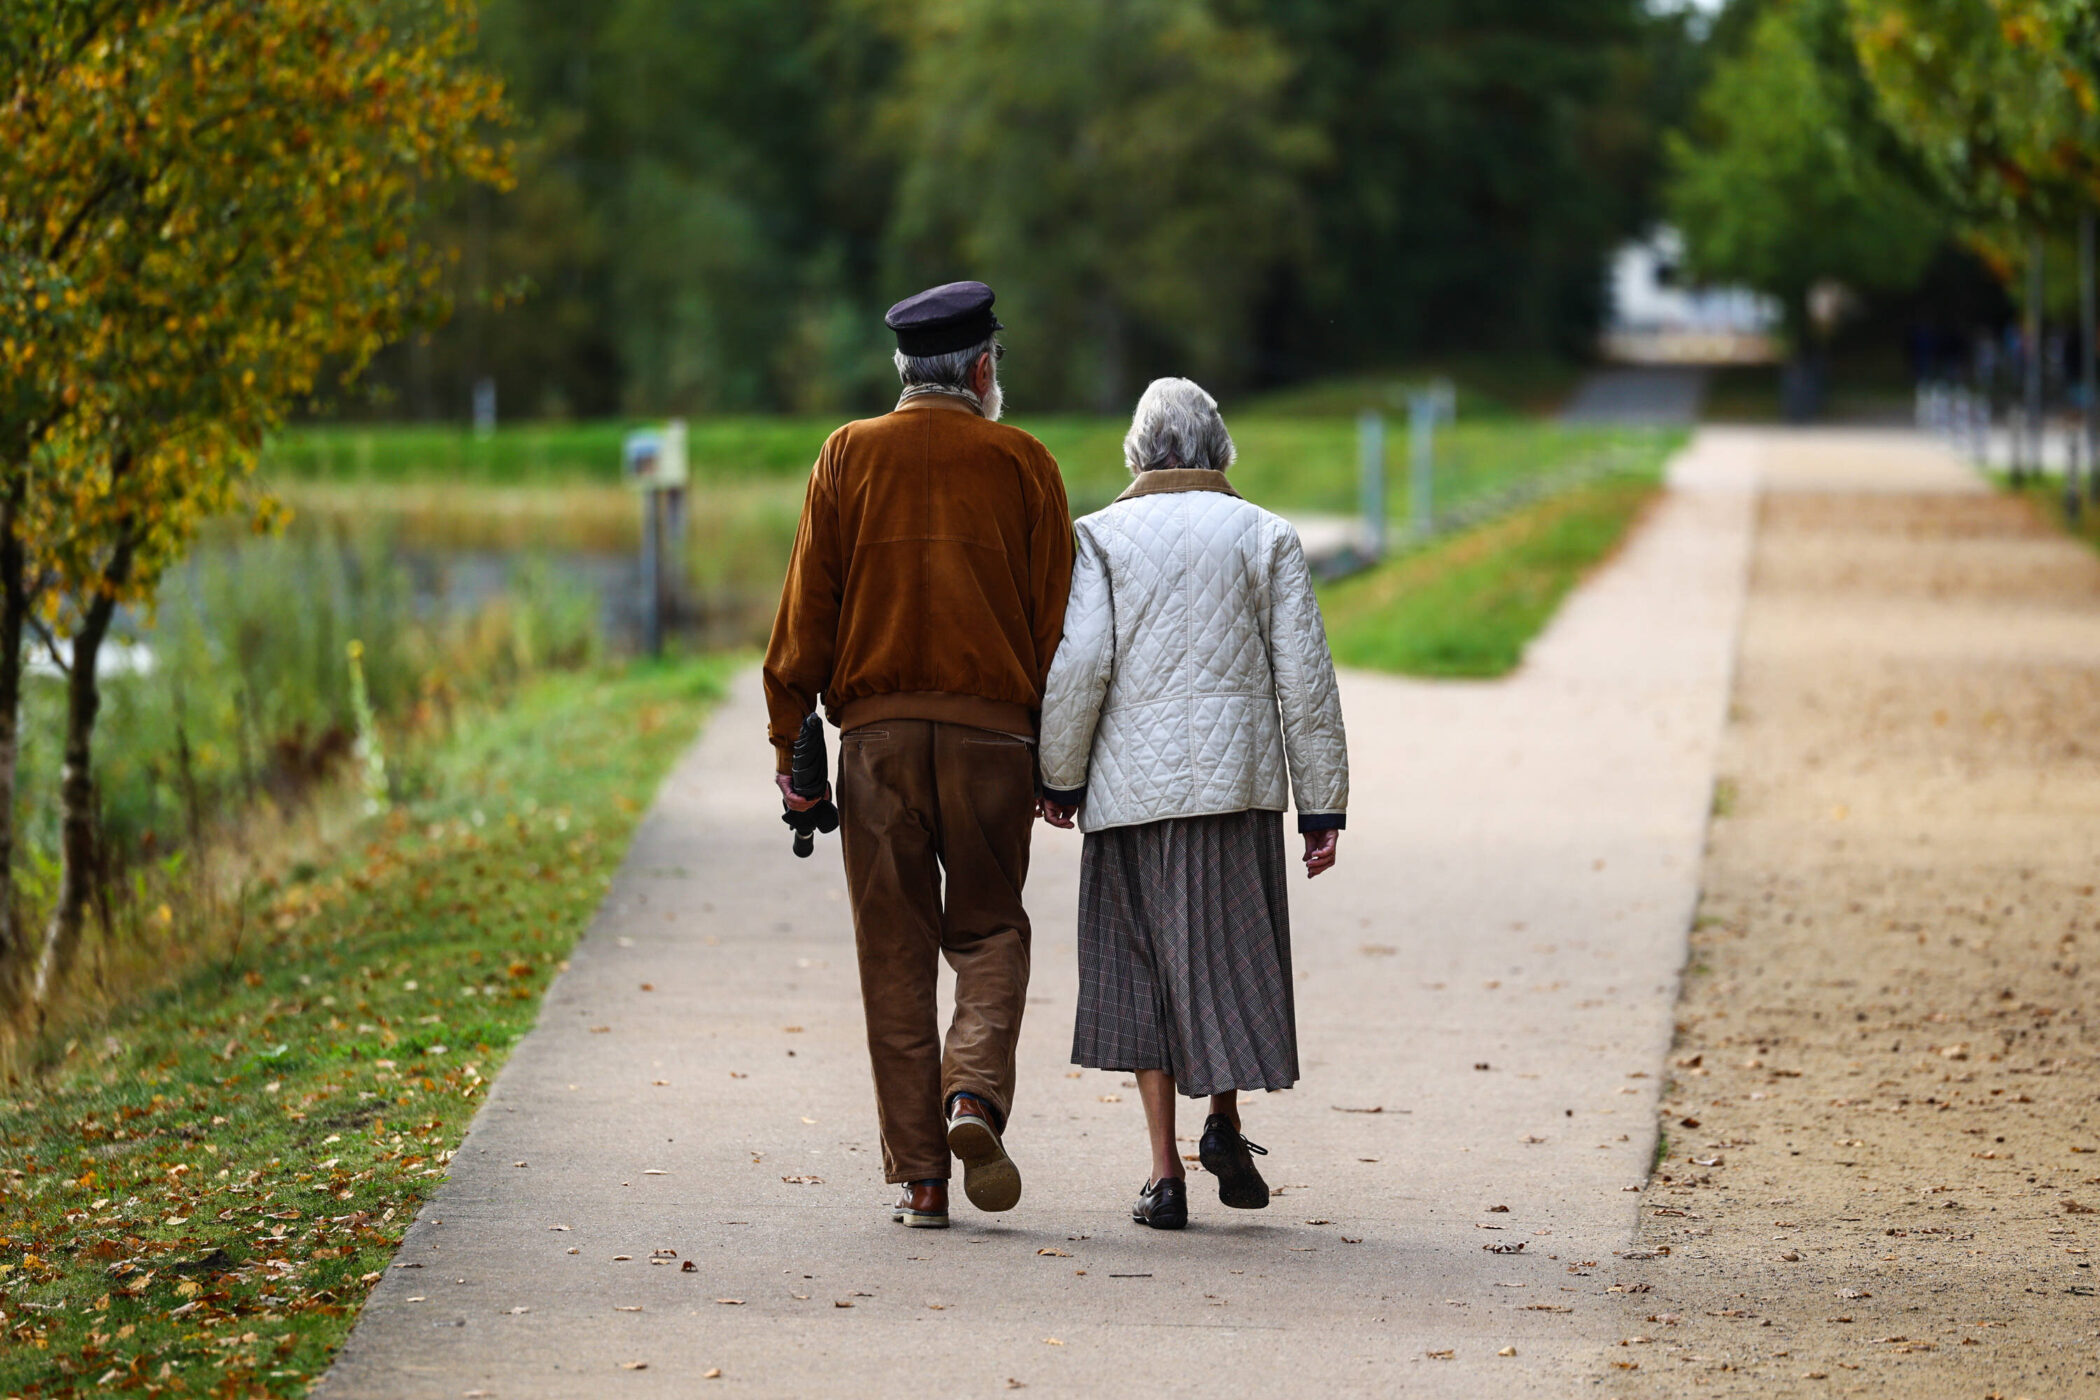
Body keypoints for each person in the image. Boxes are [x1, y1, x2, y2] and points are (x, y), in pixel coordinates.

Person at [764, 281, 1075, 1229]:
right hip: (994, 742)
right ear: (981, 370)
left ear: (905, 370)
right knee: (990, 932)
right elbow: (1063, 631)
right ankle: (972, 1095)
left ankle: (925, 1181)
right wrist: (1058, 763)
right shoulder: (1025, 463)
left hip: (878, 744)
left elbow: (801, 622)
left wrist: (791, 747)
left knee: (893, 953)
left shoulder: (845, 455)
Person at [1037, 377, 1348, 1231]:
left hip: (1131, 797)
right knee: (1223, 959)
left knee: (1145, 971)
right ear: (1221, 451)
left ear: (1137, 454)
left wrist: (1059, 777)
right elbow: (1307, 678)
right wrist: (1322, 809)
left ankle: (1164, 1173)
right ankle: (1225, 1122)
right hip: (1237, 793)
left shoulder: (1096, 539)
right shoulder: (1265, 534)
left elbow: (1081, 665)